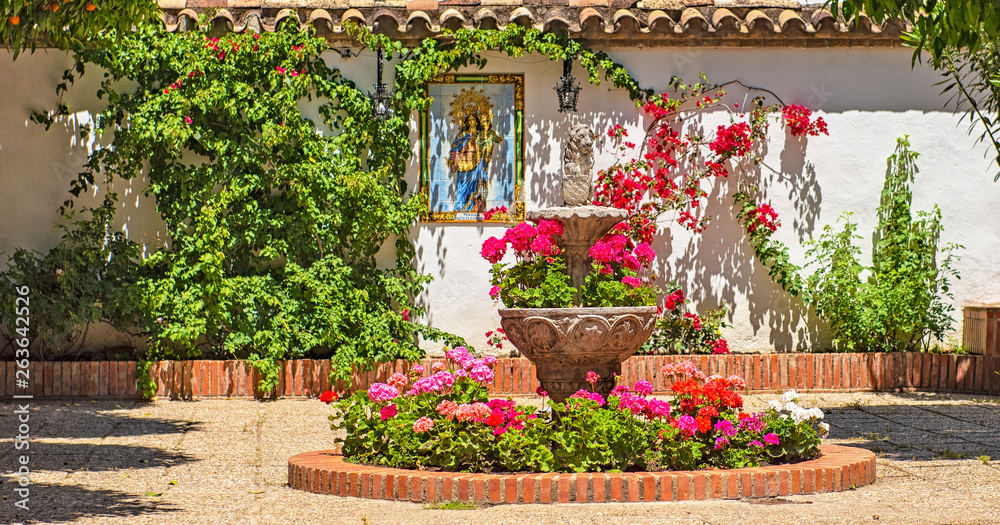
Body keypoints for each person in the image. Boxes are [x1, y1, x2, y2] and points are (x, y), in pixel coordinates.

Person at [448, 113, 487, 212]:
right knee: (462, 186)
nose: (471, 122)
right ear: (466, 122)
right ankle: (460, 207)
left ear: (477, 121)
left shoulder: (480, 134)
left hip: (476, 163)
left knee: (474, 185)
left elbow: (485, 148)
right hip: (463, 164)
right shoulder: (462, 134)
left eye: (473, 120)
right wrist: (455, 158)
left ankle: (473, 207)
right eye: (469, 120)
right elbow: (455, 146)